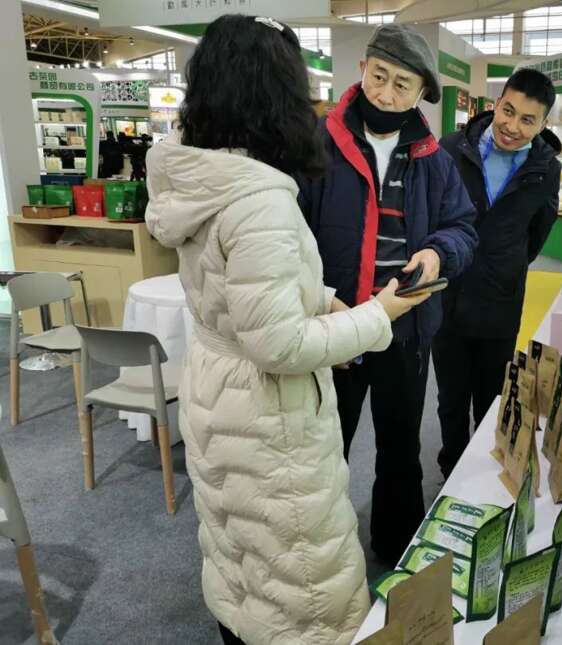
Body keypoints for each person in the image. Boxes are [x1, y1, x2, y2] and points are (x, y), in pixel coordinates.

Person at [145, 15, 428, 645]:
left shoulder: (201, 177)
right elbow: (279, 345)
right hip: (268, 418)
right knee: (301, 589)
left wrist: (322, 300)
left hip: (220, 397)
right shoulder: (259, 199)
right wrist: (376, 316)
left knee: (241, 558)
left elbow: (238, 293)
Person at [297, 24, 478, 566]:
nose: (386, 94)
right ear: (362, 70)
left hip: (406, 330)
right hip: (336, 325)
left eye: (403, 85)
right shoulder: (316, 146)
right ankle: (317, 553)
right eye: (379, 77)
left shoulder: (433, 157)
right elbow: (292, 234)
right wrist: (324, 296)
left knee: (400, 448)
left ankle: (396, 545)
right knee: (326, 446)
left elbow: (463, 227)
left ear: (421, 92)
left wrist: (438, 253)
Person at [434, 68, 562, 478]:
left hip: (500, 305)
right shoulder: (452, 149)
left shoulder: (546, 169)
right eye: (508, 111)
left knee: (492, 399)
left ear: (543, 124)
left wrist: (505, 264)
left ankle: (482, 475)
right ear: (497, 103)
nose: (512, 126)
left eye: (528, 120)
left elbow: (537, 234)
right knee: (450, 401)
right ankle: (451, 468)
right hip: (448, 300)